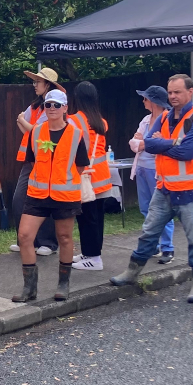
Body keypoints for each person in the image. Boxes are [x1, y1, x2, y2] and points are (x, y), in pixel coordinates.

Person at [110, 73, 193, 303]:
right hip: (165, 189)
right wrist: (172, 144)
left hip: (190, 191)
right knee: (148, 233)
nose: (174, 96)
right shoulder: (165, 118)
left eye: (178, 92)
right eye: (171, 92)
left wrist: (161, 143)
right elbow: (149, 144)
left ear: (190, 92)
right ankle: (132, 272)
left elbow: (187, 152)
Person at [12, 88, 93, 303]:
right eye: (48, 105)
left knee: (64, 238)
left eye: (57, 105)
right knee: (24, 236)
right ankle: (30, 288)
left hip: (64, 196)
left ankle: (63, 285)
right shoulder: (36, 132)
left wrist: (63, 180)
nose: (52, 108)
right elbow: (31, 160)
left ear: (65, 108)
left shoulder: (76, 134)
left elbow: (81, 166)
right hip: (37, 193)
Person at [11, 67, 67, 255]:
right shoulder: (35, 106)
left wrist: (28, 126)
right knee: (20, 199)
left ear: (48, 85)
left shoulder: (51, 108)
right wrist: (31, 129)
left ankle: (48, 243)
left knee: (45, 200)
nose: (34, 85)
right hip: (31, 159)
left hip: (46, 160)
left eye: (38, 82)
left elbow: (36, 130)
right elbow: (30, 129)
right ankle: (27, 241)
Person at [129, 86, 176, 265]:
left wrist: (144, 142)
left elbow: (165, 145)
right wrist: (147, 143)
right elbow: (134, 143)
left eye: (146, 98)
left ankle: (168, 247)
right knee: (146, 208)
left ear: (154, 101)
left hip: (158, 170)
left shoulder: (168, 121)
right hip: (141, 166)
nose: (143, 101)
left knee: (162, 210)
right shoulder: (146, 119)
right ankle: (152, 245)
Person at [70, 81, 111, 271]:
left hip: (85, 176)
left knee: (87, 218)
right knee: (96, 218)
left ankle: (94, 258)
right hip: (101, 175)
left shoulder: (74, 120)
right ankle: (89, 253)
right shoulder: (101, 121)